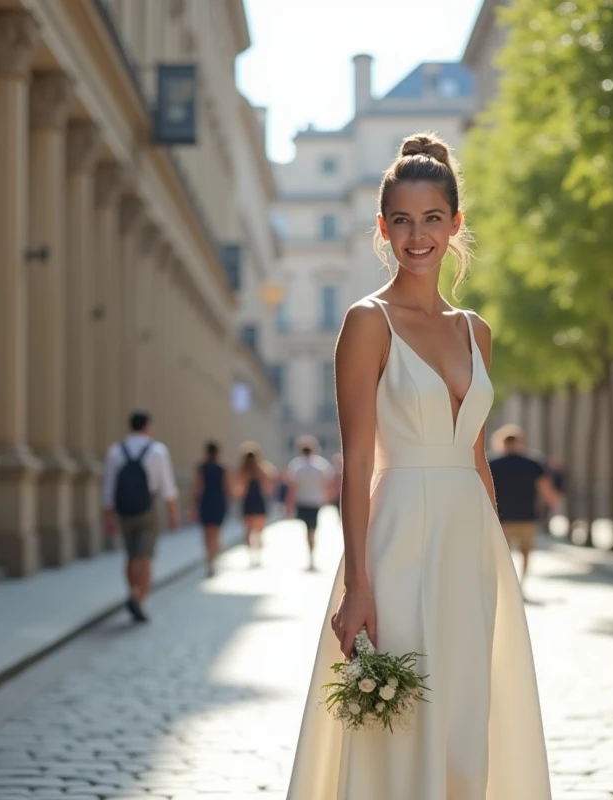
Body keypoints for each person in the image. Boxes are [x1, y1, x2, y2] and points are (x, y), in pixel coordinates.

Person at [287, 133, 550, 799]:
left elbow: (477, 456)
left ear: (455, 224)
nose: (417, 236)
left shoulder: (476, 331)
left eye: (433, 219)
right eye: (401, 221)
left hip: (471, 544)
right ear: (382, 228)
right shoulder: (366, 321)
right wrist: (358, 585)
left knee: (465, 719)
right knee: (399, 720)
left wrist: (501, 562)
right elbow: (355, 463)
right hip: (397, 536)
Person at [102, 410, 180, 623]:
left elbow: (109, 487)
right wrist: (173, 514)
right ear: (147, 426)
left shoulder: (116, 451)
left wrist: (108, 517)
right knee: (145, 558)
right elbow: (168, 488)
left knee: (130, 556)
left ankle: (132, 591)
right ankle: (138, 598)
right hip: (148, 509)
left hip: (124, 511)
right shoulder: (157, 451)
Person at [489, 424, 562, 585]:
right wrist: (555, 504)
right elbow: (545, 488)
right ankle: (521, 582)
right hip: (526, 516)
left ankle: (506, 584)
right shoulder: (533, 463)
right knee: (526, 553)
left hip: (501, 518)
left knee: (502, 555)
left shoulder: (492, 463)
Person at [284, 436, 334, 571]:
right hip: (315, 501)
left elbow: (292, 487)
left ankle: (310, 554)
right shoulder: (321, 465)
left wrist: (288, 504)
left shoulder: (296, 465)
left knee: (307, 529)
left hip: (303, 501)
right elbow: (328, 484)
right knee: (313, 529)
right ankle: (312, 555)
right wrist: (327, 498)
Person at [193, 440, 230, 577]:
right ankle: (214, 558)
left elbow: (197, 488)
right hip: (218, 501)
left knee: (207, 533)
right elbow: (227, 488)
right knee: (216, 532)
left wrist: (193, 506)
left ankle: (210, 560)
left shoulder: (201, 467)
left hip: (206, 501)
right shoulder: (222, 468)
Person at [235, 443, 274, 567]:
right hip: (257, 501)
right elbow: (269, 488)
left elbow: (238, 491)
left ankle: (253, 555)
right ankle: (256, 556)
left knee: (250, 530)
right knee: (258, 530)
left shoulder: (246, 471)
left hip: (250, 502)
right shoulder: (262, 469)